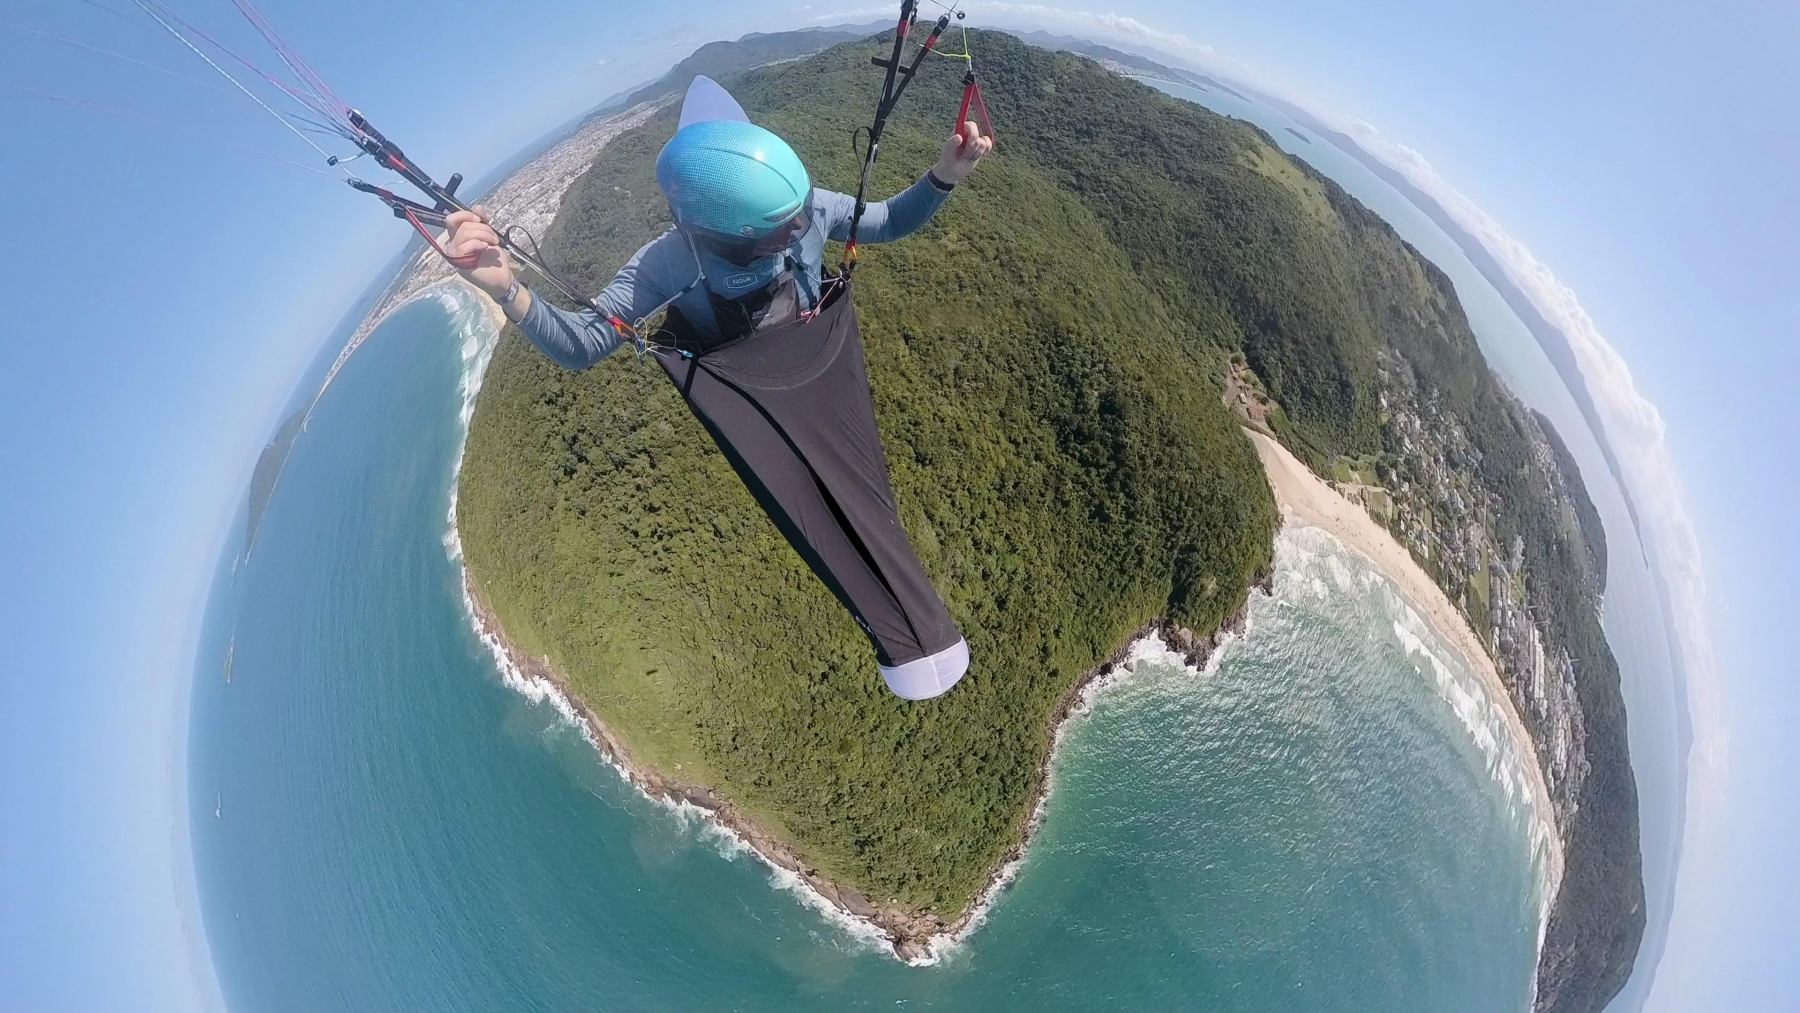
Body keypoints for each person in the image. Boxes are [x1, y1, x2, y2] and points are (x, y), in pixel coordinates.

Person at [442, 77, 993, 700]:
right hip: (746, 390)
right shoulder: (672, 260)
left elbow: (886, 220)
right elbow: (583, 342)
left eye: (798, 222)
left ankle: (920, 642)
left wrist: (945, 175)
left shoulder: (805, 209)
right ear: (713, 232)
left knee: (866, 502)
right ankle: (903, 646)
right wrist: (506, 289)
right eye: (777, 235)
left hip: (817, 354)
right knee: (813, 515)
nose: (797, 234)